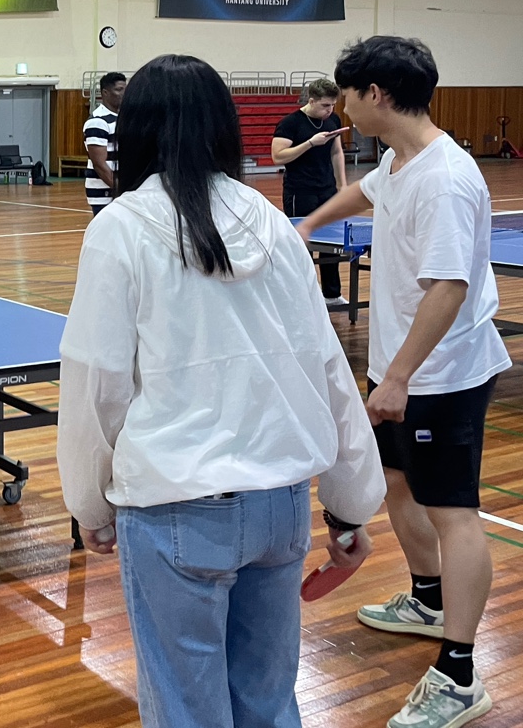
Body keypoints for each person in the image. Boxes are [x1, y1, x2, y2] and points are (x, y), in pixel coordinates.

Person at [58, 54, 384, 728]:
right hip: (281, 509)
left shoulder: (119, 229)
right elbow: (324, 367)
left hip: (175, 509)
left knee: (186, 710)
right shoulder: (272, 223)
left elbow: (96, 382)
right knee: (268, 703)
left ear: (136, 130)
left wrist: (89, 501)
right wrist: (351, 505)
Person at [298, 36, 510, 728]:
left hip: (441, 375)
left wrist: (397, 377)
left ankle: (460, 674)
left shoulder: (444, 179)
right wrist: (308, 224)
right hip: (404, 366)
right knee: (395, 483)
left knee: (454, 512)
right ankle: (428, 597)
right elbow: (366, 190)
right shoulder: (398, 159)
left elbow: (449, 288)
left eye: (347, 95)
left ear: (376, 94)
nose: (342, 108)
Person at [272, 78, 350, 308]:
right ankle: (302, 297)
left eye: (333, 105)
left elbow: (336, 152)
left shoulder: (333, 120)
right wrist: (310, 143)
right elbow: (278, 156)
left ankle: (332, 294)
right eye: (325, 105)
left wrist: (342, 185)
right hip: (300, 190)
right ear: (312, 100)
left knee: (331, 243)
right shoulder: (290, 123)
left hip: (326, 189)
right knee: (302, 245)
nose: (330, 110)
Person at [83, 72, 126, 215]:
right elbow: (99, 165)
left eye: (125, 89)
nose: (124, 94)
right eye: (119, 90)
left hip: (123, 190)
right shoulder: (98, 121)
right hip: (104, 193)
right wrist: (120, 189)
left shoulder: (124, 118)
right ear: (105, 93)